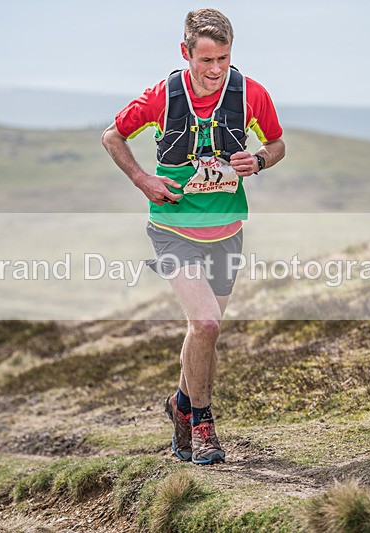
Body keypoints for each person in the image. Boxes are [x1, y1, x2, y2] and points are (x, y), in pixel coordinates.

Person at [101, 8, 285, 465]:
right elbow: (112, 136)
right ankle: (202, 425)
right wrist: (143, 179)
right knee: (205, 324)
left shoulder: (250, 94)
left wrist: (260, 160)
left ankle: (179, 407)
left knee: (203, 335)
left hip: (227, 232)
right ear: (186, 54)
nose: (216, 70)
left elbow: (278, 143)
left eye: (224, 58)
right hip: (172, 231)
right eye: (206, 60)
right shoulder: (163, 96)